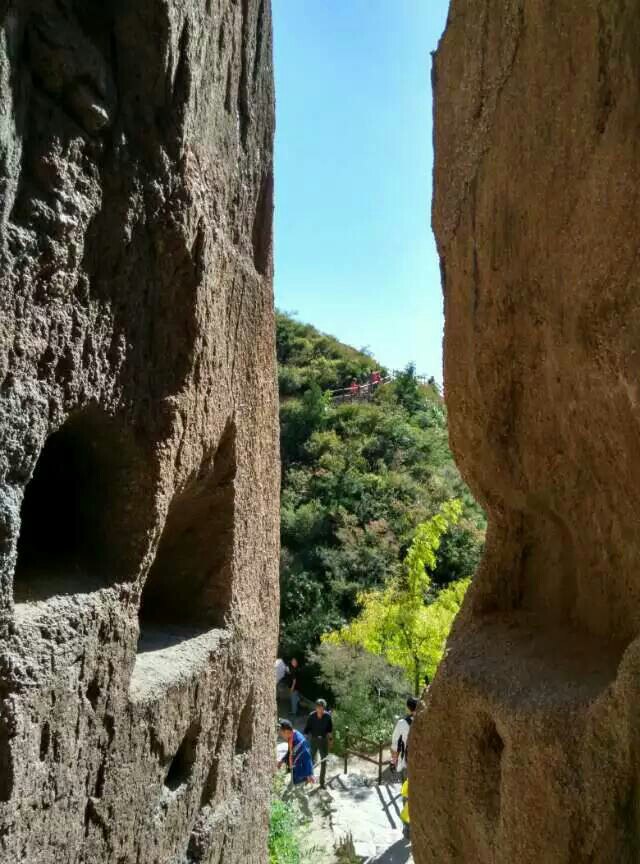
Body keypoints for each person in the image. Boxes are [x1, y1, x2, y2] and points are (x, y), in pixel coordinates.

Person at [304, 698, 333, 788]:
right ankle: (308, 779)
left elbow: (329, 730)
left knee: (324, 761)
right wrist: (304, 740)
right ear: (316, 707)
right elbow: (307, 729)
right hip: (314, 740)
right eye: (318, 707)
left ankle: (322, 783)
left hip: (323, 741)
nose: (319, 709)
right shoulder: (311, 716)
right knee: (310, 760)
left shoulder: (327, 717)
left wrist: (331, 741)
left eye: (321, 707)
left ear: (324, 708)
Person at [277, 719, 314, 786]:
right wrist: (282, 761)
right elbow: (290, 751)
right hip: (294, 769)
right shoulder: (292, 736)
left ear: (287, 731)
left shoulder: (299, 742)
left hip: (301, 773)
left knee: (298, 788)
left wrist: (309, 774)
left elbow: (307, 757)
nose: (281, 735)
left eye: (281, 733)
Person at [391, 697, 418, 780]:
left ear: (408, 708)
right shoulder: (426, 721)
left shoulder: (402, 723)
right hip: (423, 760)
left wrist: (394, 761)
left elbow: (395, 743)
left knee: (406, 786)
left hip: (407, 760)